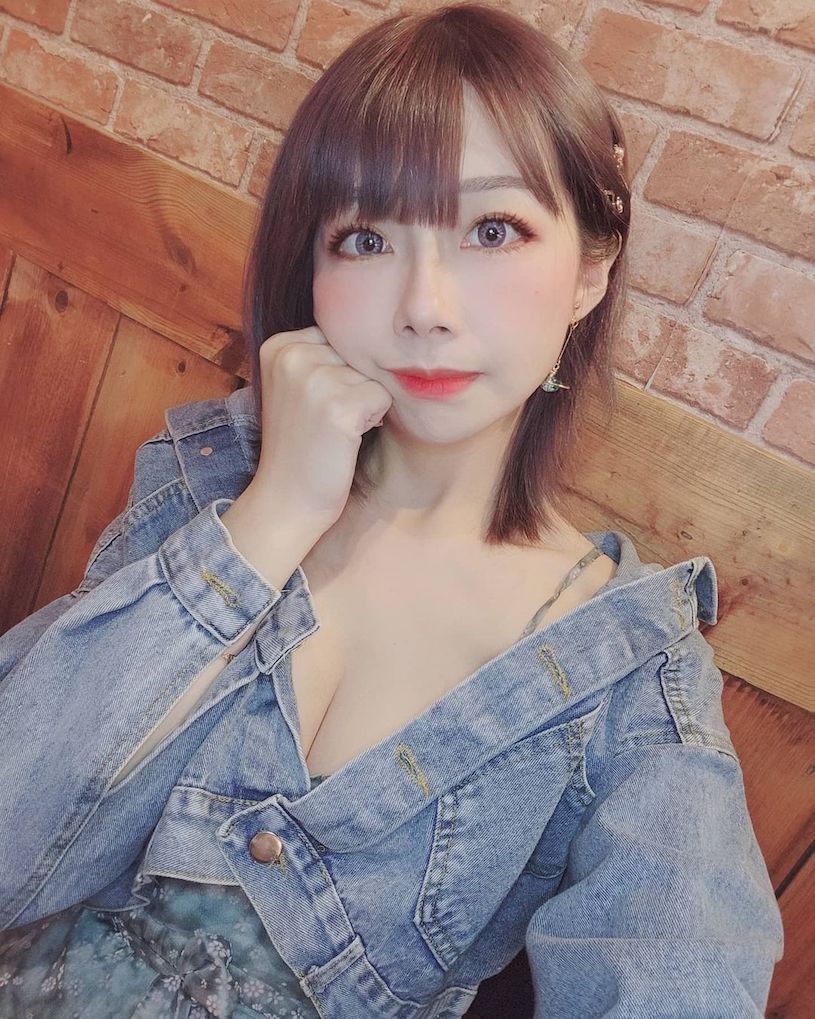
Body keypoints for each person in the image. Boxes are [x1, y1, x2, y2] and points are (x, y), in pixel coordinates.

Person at [0, 4, 783, 1018]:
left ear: (590, 269)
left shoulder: (625, 673)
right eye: (365, 237)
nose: (423, 305)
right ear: (312, 271)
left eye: (492, 230)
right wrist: (271, 518)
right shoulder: (211, 481)